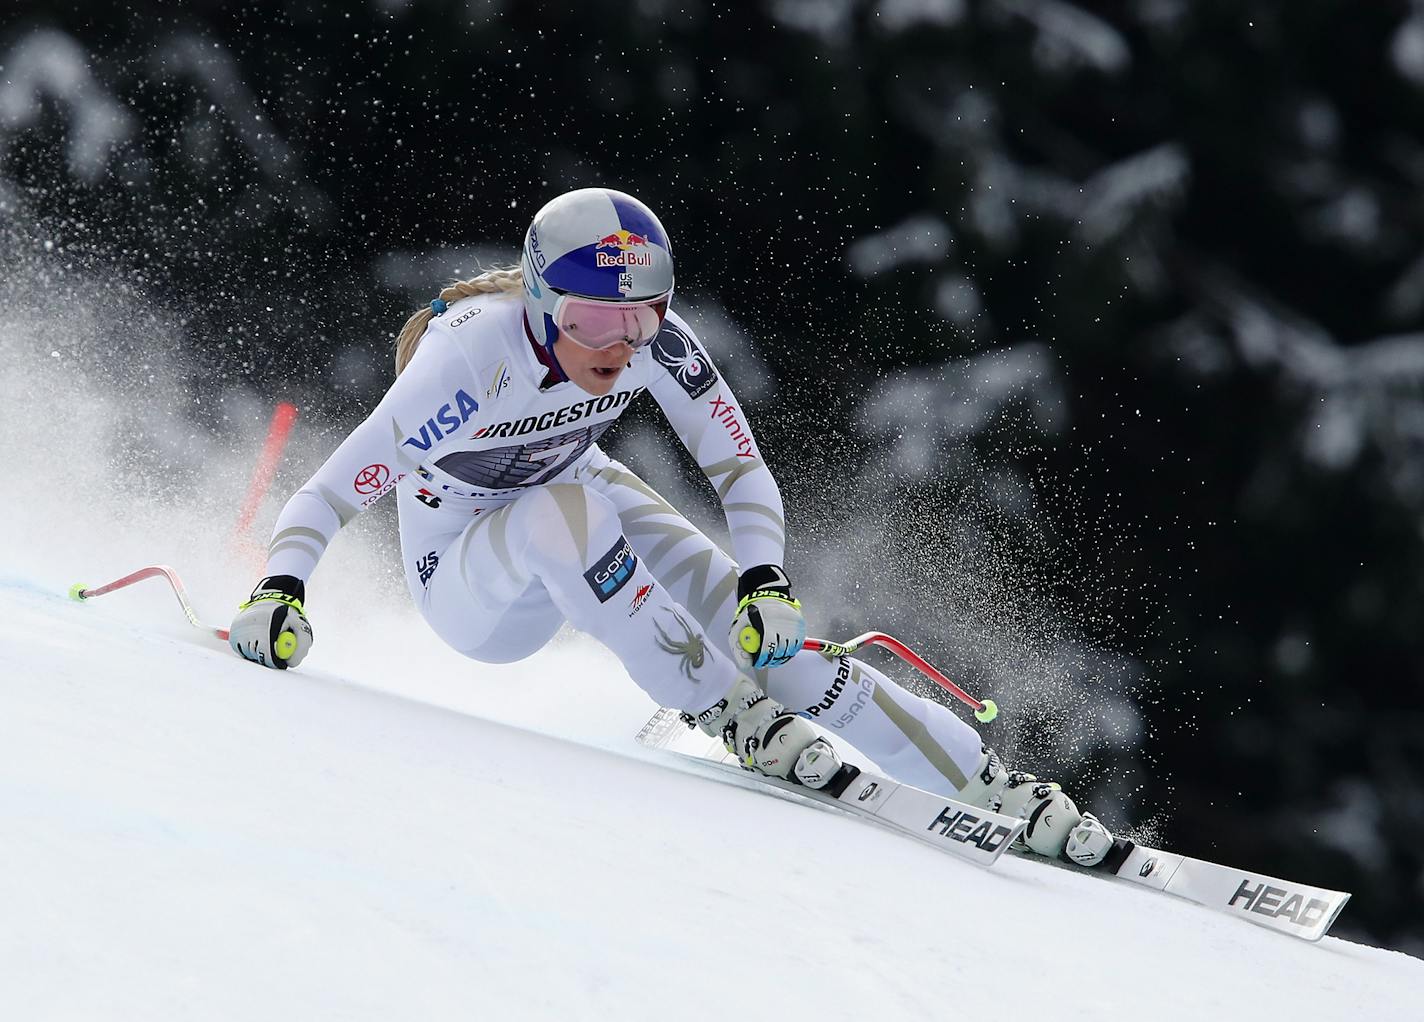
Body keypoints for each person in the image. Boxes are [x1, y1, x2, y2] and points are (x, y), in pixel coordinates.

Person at [228, 187, 1114, 866]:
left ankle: (987, 783)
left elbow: (740, 468)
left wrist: (765, 580)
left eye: (640, 317)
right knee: (565, 505)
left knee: (768, 631)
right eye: (592, 321)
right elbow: (332, 491)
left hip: (576, 496)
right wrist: (279, 588)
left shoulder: (653, 343)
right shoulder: (470, 357)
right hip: (470, 585)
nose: (619, 344)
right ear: (541, 305)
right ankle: (730, 713)